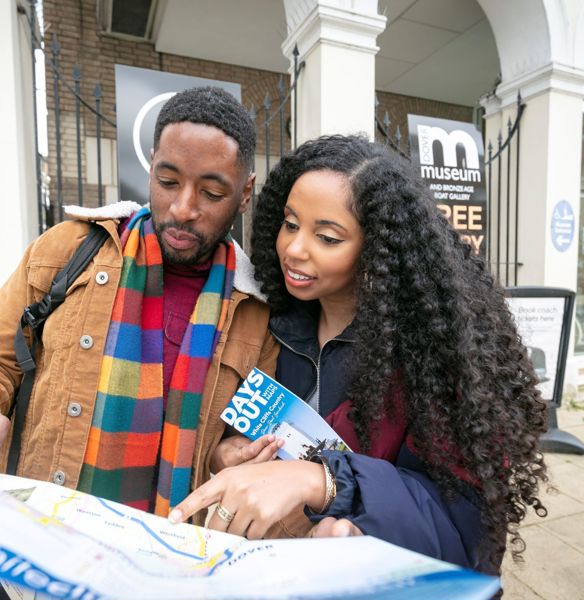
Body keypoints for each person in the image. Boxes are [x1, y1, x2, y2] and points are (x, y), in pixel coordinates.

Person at [0, 86, 281, 524]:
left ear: (245, 193)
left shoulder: (257, 311)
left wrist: (228, 455)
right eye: (167, 182)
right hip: (38, 533)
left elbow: (240, 437)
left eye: (211, 193)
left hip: (170, 553)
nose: (182, 208)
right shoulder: (68, 249)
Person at [169, 135, 549, 574]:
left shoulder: (430, 360)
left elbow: (465, 527)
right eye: (291, 224)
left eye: (327, 237)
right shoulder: (263, 324)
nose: (294, 248)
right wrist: (225, 455)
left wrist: (328, 483)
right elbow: (228, 432)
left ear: (376, 251)